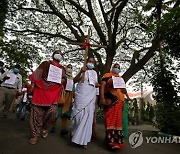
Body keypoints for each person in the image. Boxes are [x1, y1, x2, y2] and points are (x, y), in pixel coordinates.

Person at [28, 50, 66, 145]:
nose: (59, 55)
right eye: (58, 53)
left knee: (53, 113)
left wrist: (62, 80)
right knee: (36, 116)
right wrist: (33, 85)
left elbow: (65, 79)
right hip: (41, 91)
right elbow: (36, 75)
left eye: (61, 54)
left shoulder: (62, 69)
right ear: (53, 55)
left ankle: (45, 127)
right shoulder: (45, 64)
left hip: (54, 93)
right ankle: (34, 135)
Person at [69, 57, 100, 148]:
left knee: (87, 118)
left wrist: (99, 87)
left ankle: (83, 141)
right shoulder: (83, 70)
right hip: (81, 96)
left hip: (91, 97)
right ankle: (74, 133)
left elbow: (96, 84)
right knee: (77, 116)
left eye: (92, 62)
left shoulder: (94, 73)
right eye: (89, 61)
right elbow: (74, 81)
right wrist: (81, 72)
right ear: (86, 62)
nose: (91, 63)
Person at [100, 63, 130, 150]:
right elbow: (102, 86)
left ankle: (115, 142)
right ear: (112, 68)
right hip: (111, 101)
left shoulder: (120, 79)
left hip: (120, 102)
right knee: (110, 121)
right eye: (115, 67)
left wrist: (124, 90)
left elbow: (124, 91)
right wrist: (102, 98)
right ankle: (110, 142)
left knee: (118, 122)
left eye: (118, 68)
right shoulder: (107, 76)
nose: (117, 69)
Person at [50, 64, 75, 135]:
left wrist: (73, 98)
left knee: (65, 114)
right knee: (57, 112)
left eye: (71, 67)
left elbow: (73, 89)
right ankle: (53, 126)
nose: (69, 68)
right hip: (61, 95)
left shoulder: (72, 78)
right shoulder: (62, 76)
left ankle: (63, 129)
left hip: (69, 98)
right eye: (68, 67)